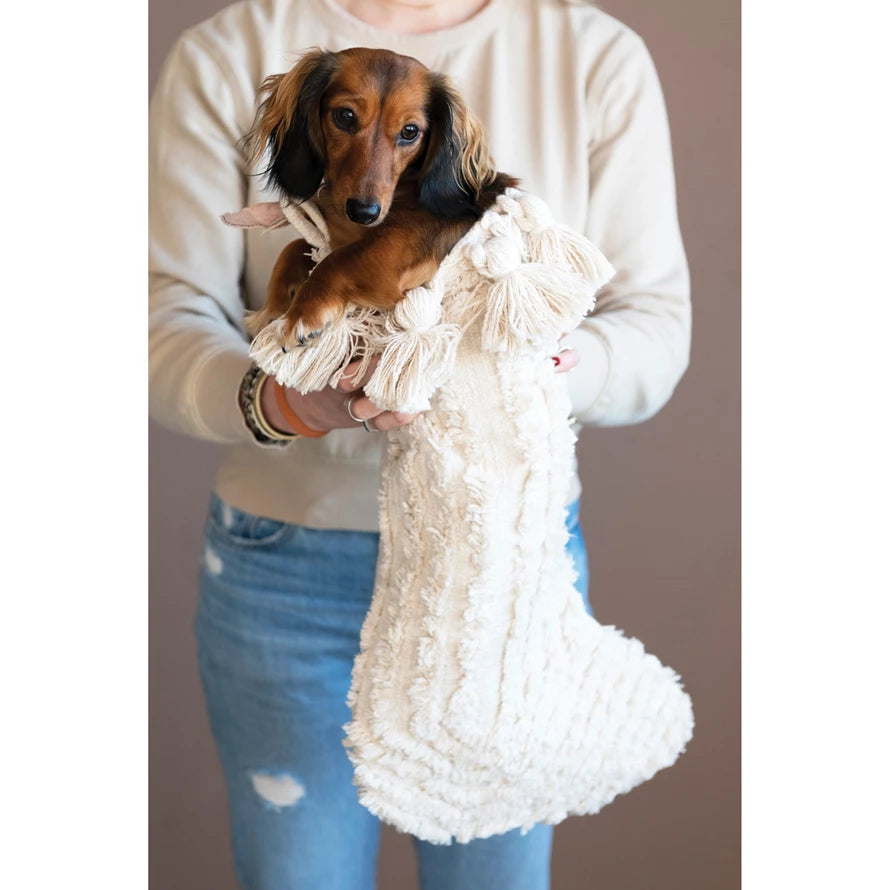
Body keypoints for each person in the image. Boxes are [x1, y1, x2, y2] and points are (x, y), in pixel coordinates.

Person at [149, 0, 690, 887]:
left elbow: (655, 333)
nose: (370, 165)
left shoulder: (594, 55)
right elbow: (161, 319)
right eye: (346, 121)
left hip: (500, 564)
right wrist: (286, 401)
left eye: (396, 135)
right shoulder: (227, 49)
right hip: (283, 570)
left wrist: (516, 360)